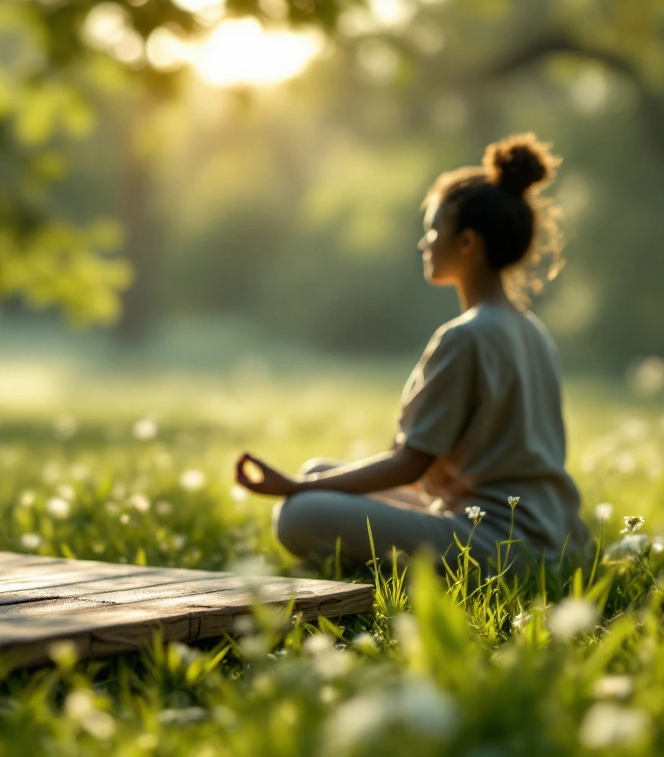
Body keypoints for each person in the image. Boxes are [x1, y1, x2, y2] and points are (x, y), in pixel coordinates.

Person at [233, 133, 590, 576]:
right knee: (319, 472)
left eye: (434, 231)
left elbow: (410, 464)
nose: (425, 244)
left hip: (496, 544)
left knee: (298, 512)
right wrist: (311, 480)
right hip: (549, 532)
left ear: (468, 244)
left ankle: (370, 565)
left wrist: (296, 486)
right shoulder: (533, 330)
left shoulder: (466, 336)